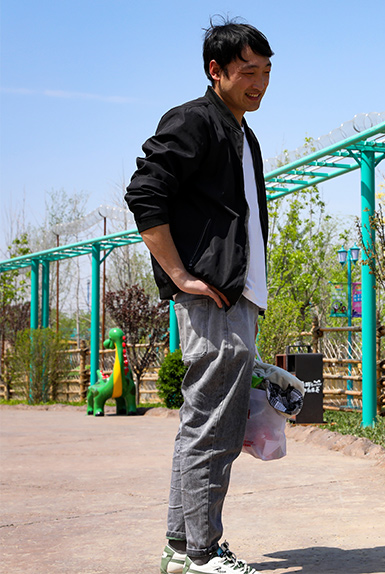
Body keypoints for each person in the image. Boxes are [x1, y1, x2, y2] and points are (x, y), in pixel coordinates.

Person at [125, 18, 272, 574]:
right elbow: (145, 193)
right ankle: (204, 552)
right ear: (217, 71)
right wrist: (179, 274)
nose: (258, 83)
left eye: (266, 72)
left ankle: (180, 547)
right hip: (213, 298)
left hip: (236, 298)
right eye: (248, 72)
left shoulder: (242, 132)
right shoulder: (193, 121)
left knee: (205, 426)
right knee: (212, 429)